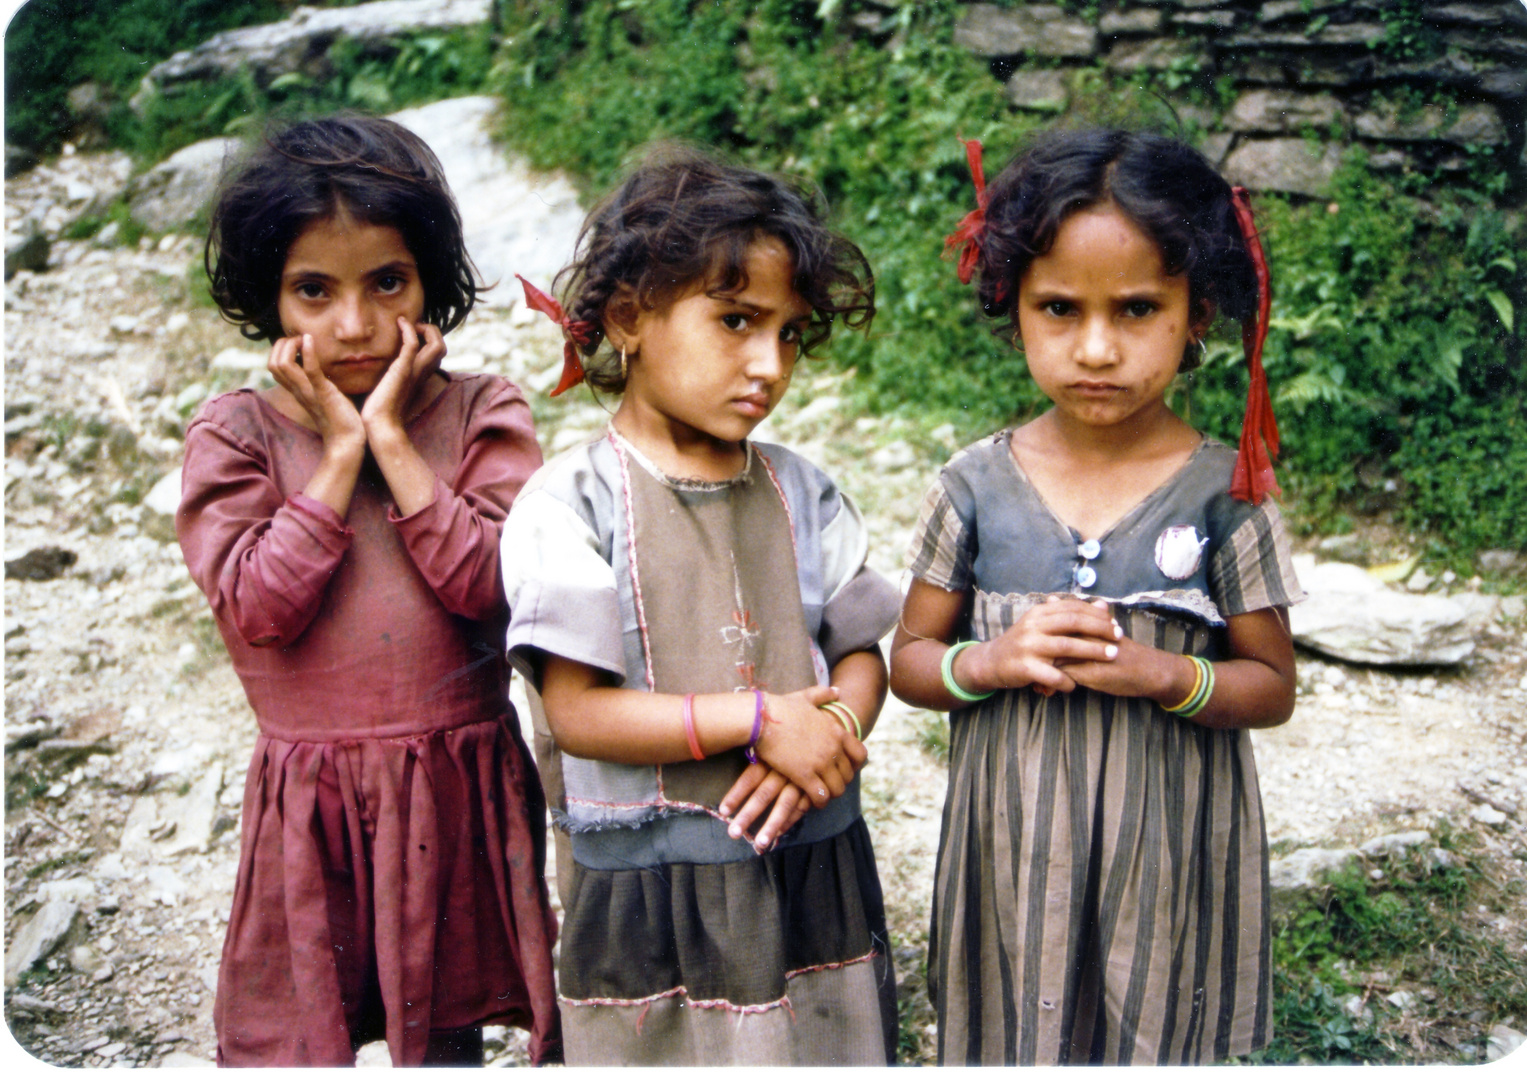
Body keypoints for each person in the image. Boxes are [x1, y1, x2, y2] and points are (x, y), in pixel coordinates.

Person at [889, 129, 1303, 1066]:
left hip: (1163, 862)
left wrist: (1165, 674)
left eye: (1137, 308)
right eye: (1059, 309)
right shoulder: (973, 486)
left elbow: (1271, 687)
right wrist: (988, 660)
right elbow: (909, 663)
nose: (1096, 347)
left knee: (1149, 1021)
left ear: (1196, 313)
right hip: (1013, 856)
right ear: (1014, 306)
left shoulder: (1222, 492)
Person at [502, 144, 900, 1065]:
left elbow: (859, 651)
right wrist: (762, 722)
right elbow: (577, 712)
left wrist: (831, 726)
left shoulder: (805, 493)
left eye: (790, 333)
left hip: (811, 854)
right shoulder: (572, 506)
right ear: (630, 319)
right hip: (656, 883)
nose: (768, 363)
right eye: (735, 321)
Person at [177, 115, 561, 1067]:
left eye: (386, 282)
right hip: (316, 803)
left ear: (429, 280)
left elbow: (491, 589)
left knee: (446, 1030)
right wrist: (339, 455)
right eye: (314, 289)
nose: (353, 325)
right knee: (314, 1028)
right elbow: (261, 610)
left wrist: (389, 437)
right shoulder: (235, 438)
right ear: (269, 295)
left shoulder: (482, 411)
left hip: (455, 784)